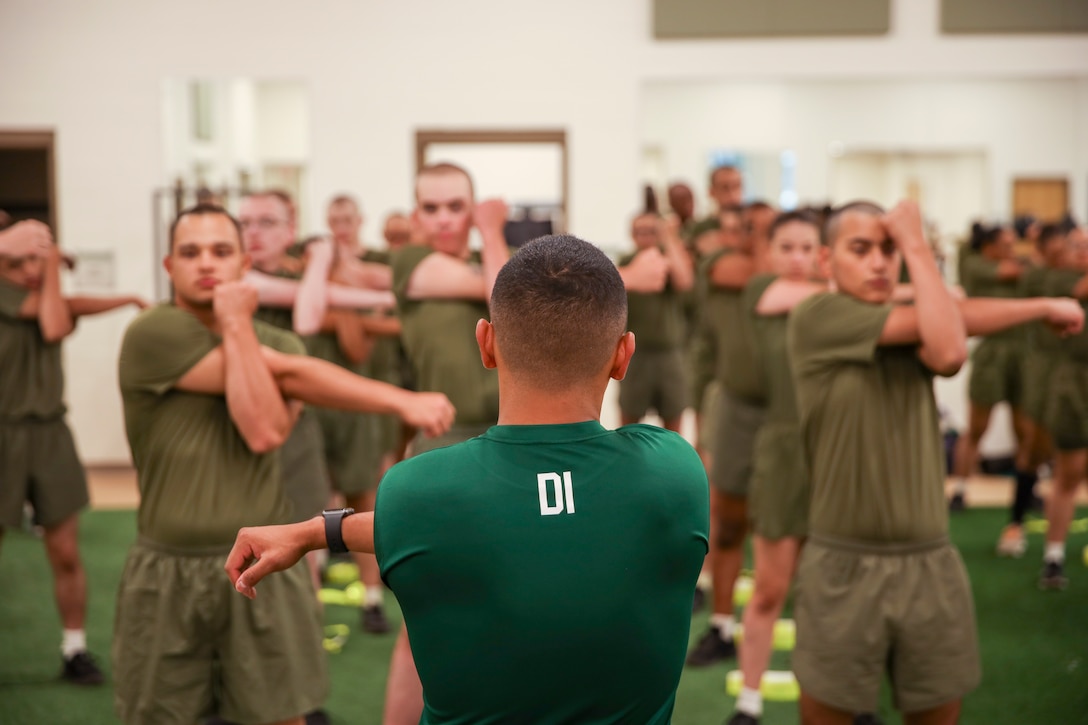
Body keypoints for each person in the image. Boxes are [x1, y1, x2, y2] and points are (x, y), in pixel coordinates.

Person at [226, 234, 710, 725]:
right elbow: (539, 511)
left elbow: (444, 520)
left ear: (486, 343)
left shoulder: (420, 490)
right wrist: (316, 531)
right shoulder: (673, 469)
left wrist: (317, 531)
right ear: (623, 355)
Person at [113, 203, 454, 725]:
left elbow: (265, 422)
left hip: (263, 562)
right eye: (190, 252)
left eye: (221, 251)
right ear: (168, 267)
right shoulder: (152, 333)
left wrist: (240, 329)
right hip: (169, 567)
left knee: (281, 715)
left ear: (243, 262)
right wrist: (397, 400)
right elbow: (271, 414)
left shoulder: (278, 342)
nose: (206, 262)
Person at [788, 200, 1082, 725]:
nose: (880, 263)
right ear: (827, 262)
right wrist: (918, 245)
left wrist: (1041, 304)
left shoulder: (916, 316)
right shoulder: (818, 315)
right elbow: (949, 350)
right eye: (861, 250)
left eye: (890, 250)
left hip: (930, 561)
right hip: (842, 564)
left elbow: (953, 317)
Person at [384, 161, 510, 723]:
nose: (443, 219)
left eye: (456, 206)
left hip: (506, 446)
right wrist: (490, 230)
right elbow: (509, 297)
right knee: (425, 625)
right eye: (430, 207)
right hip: (441, 447)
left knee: (503, 615)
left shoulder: (476, 266)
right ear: (415, 216)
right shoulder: (411, 262)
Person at [0, 231, 146, 686]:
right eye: (17, 262)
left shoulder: (45, 299)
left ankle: (74, 649)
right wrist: (50, 263)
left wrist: (131, 298)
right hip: (3, 435)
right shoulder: (12, 298)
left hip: (50, 434)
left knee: (65, 550)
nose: (28, 271)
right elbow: (54, 324)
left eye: (34, 262)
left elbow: (69, 309)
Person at [729, 211, 824, 725]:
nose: (797, 258)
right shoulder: (762, 289)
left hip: (834, 451)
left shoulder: (834, 303)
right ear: (768, 251)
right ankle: (749, 702)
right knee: (770, 587)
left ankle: (839, 699)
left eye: (808, 248)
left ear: (821, 253)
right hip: (782, 451)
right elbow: (785, 298)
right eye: (786, 246)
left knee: (828, 592)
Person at [685, 202, 768, 667]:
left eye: (754, 229)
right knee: (728, 518)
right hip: (735, 405)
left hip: (792, 413)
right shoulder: (722, 265)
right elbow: (745, 271)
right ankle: (722, 626)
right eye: (737, 229)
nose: (743, 236)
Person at [999, 223, 1068, 557]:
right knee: (1035, 449)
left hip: (1077, 377)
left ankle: (1052, 552)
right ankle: (1015, 524)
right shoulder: (1044, 278)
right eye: (1070, 243)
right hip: (1047, 375)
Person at [949, 224, 1028, 512]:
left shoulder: (1017, 263)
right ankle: (960, 489)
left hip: (1022, 354)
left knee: (1024, 429)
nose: (1011, 250)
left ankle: (1027, 487)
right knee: (977, 427)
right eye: (1005, 245)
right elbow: (1013, 271)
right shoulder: (975, 265)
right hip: (992, 353)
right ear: (989, 247)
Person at [1039, 225, 1088, 589]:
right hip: (1073, 388)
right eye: (1077, 246)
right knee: (1068, 474)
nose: (1083, 251)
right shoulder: (1057, 282)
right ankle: (1053, 557)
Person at [617, 212, 693, 432]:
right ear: (632, 235)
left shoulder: (668, 261)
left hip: (669, 353)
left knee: (673, 423)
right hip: (636, 355)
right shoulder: (626, 263)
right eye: (641, 232)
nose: (646, 237)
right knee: (628, 423)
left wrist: (670, 238)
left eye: (652, 232)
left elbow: (685, 280)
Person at [686, 165, 745, 246]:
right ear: (711, 192)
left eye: (737, 186)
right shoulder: (700, 228)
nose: (732, 194)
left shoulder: (754, 222)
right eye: (725, 188)